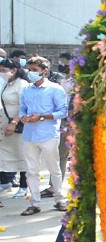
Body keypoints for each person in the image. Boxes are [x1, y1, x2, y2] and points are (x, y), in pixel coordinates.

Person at [18, 56, 68, 215]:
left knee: (54, 169)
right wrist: (23, 117)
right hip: (29, 135)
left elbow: (62, 111)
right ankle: (35, 202)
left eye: (34, 70)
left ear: (44, 72)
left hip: (48, 134)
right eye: (29, 70)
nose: (30, 73)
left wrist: (41, 116)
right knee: (31, 171)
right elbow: (22, 109)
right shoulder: (26, 89)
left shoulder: (55, 89)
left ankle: (59, 199)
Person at [0, 58, 30, 203]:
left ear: (14, 70)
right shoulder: (7, 83)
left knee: (22, 155)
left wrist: (13, 122)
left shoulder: (22, 84)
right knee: (6, 155)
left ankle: (24, 186)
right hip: (5, 124)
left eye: (4, 70)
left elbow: (24, 107)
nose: (2, 73)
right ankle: (6, 181)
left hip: (18, 126)